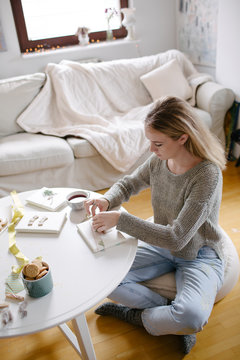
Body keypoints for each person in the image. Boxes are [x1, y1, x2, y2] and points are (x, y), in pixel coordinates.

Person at [85, 96, 226, 354]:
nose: (151, 149)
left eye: (158, 143)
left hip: (198, 254)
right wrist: (107, 199)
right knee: (104, 279)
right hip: (160, 245)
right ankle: (165, 315)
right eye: (150, 141)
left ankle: (139, 316)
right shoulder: (160, 161)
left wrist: (120, 219)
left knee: (192, 318)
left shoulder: (207, 175)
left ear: (183, 138)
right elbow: (129, 184)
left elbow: (177, 238)